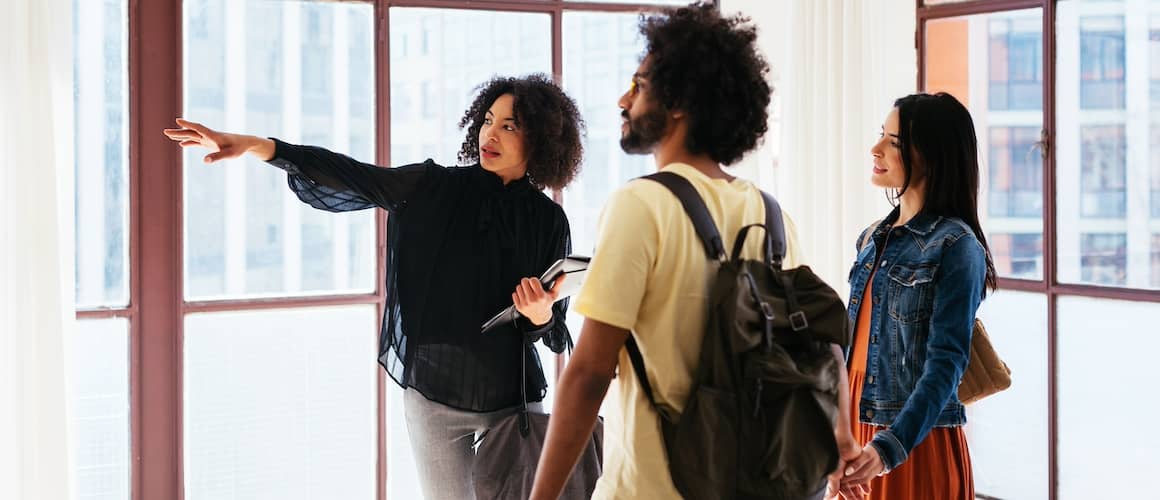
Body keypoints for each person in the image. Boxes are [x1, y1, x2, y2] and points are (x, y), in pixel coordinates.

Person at [164, 74, 584, 500]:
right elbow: (351, 175)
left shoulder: (549, 220)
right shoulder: (432, 187)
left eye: (509, 126)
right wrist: (259, 146)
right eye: (488, 119)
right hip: (434, 400)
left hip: (514, 403)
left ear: (542, 140)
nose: (490, 133)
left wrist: (539, 314)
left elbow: (552, 329)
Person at [529, 4, 857, 499]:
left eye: (638, 86)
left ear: (678, 102)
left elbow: (589, 372)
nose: (624, 99)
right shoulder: (771, 217)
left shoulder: (641, 205)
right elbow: (821, 340)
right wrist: (842, 435)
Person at [830, 92, 996, 500]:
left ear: (932, 155)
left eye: (894, 142)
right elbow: (846, 352)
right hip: (855, 431)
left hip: (912, 440)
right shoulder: (871, 238)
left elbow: (946, 364)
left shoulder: (957, 246)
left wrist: (888, 449)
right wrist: (836, 437)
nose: (876, 149)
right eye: (881, 136)